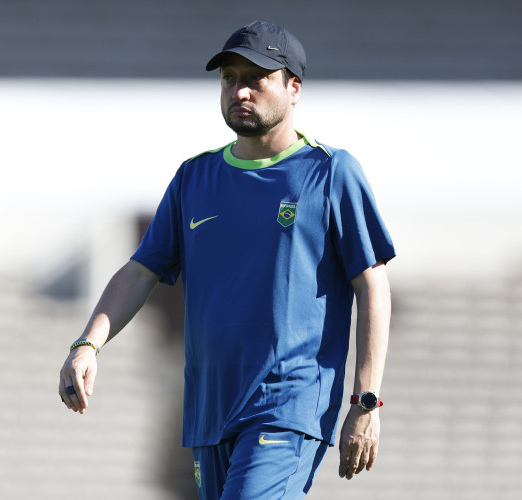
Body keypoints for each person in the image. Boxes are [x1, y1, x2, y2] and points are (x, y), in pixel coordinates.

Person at [59, 20, 395, 499]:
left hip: (286, 406)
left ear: (293, 88)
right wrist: (88, 344)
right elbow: (141, 269)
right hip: (209, 413)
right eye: (229, 78)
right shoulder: (194, 178)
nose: (240, 90)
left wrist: (366, 402)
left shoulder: (330, 171)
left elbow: (373, 284)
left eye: (255, 78)